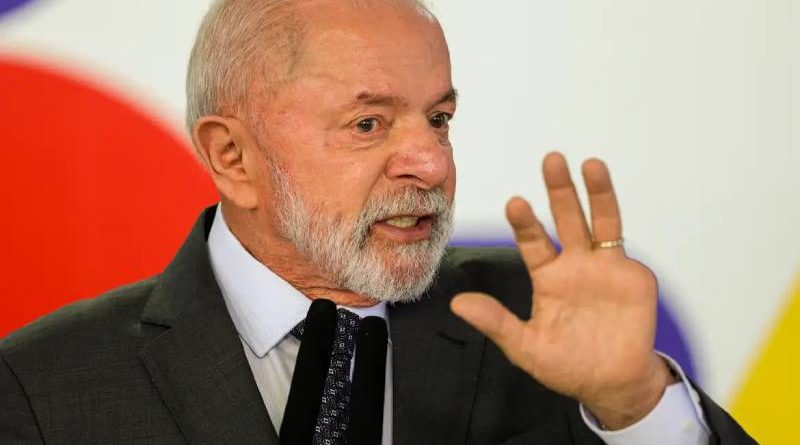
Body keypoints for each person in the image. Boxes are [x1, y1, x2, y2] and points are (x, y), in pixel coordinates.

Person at [0, 1, 754, 444]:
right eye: (368, 123)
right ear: (233, 156)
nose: (430, 162)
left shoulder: (532, 316)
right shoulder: (42, 385)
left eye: (439, 118)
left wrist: (635, 405)